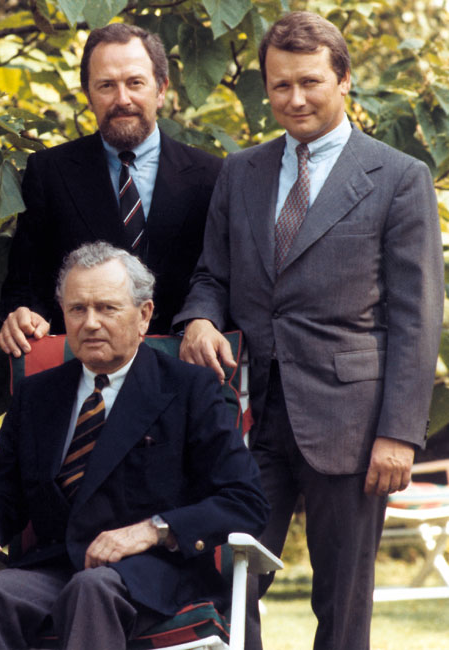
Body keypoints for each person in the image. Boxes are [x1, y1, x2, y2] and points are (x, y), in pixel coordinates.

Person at [174, 11, 443, 650]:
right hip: (250, 418)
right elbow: (212, 273)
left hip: (353, 424)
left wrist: (399, 434)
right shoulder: (240, 172)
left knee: (342, 601)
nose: (294, 99)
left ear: (343, 80)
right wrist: (202, 317)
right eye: (280, 85)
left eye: (310, 83)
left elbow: (417, 315)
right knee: (227, 587)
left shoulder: (400, 178)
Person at [0, 242, 268, 649]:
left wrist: (154, 530)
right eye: (78, 309)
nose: (91, 323)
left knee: (93, 588)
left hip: (157, 574)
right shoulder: (37, 395)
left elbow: (246, 502)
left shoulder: (190, 389)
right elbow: (5, 495)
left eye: (107, 308)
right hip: (59, 569)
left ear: (144, 315)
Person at [0, 23, 222, 357]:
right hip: (82, 370)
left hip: (181, 369)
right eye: (106, 86)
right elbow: (25, 284)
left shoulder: (212, 174)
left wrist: (204, 319)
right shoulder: (49, 172)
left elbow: (221, 278)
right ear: (88, 96)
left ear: (161, 90)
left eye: (135, 83)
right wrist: (22, 315)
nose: (122, 99)